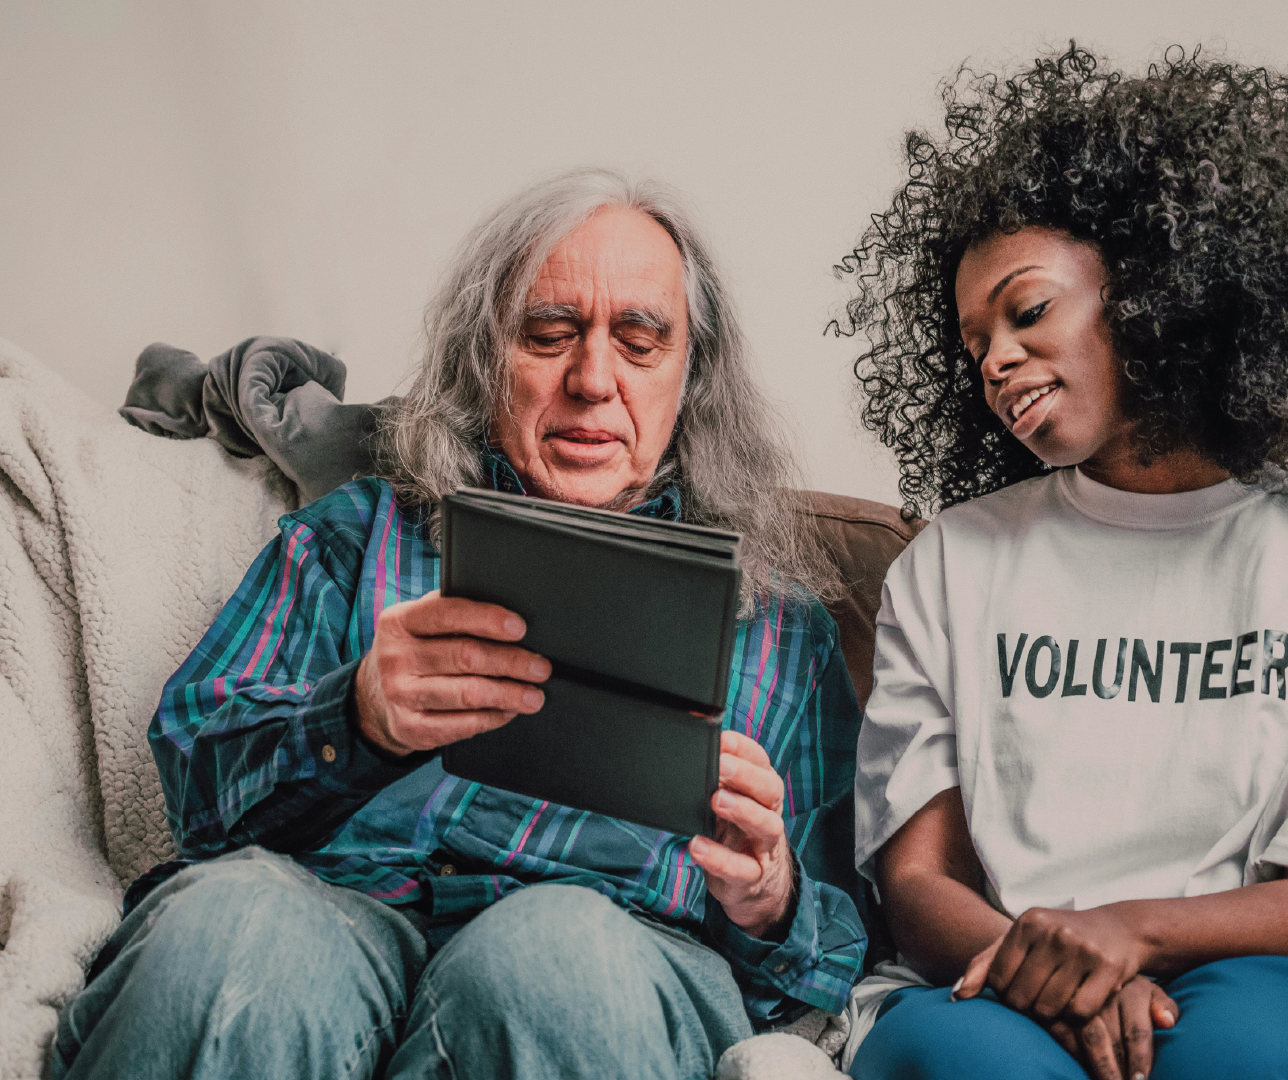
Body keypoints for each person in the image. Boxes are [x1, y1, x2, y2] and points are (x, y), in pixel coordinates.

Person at [52, 168, 867, 1080]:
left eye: (639, 342)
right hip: (334, 917)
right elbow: (194, 793)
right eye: (550, 334)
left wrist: (771, 896)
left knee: (548, 957)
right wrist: (350, 715)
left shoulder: (783, 627)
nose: (594, 380)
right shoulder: (357, 536)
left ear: (692, 376)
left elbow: (841, 953)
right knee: (233, 930)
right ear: (487, 358)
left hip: (614, 960)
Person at [834, 45, 1288, 1080]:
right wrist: (1046, 966)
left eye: (1026, 313)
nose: (994, 362)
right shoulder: (953, 562)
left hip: (1273, 970)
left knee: (1242, 1058)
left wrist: (1129, 934)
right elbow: (919, 878)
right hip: (992, 975)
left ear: (1160, 292)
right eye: (974, 341)